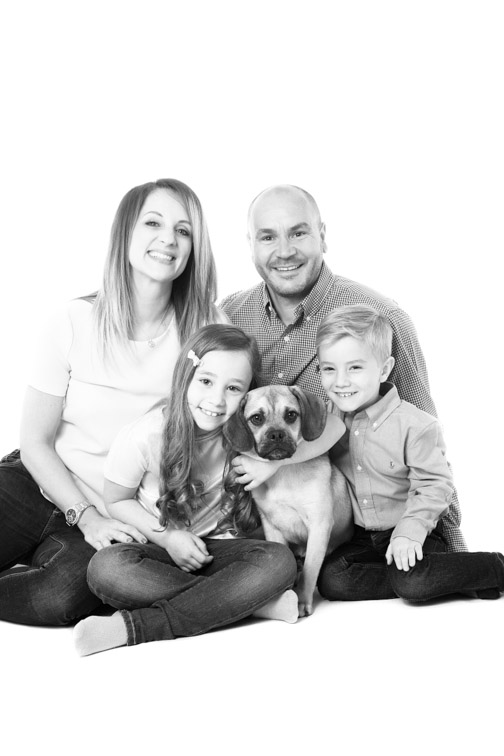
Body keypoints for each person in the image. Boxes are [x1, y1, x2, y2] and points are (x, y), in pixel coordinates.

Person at [0, 178, 223, 626]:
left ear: (194, 248)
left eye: (183, 231)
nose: (168, 239)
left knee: (60, 598)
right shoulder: (72, 320)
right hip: (40, 481)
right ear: (125, 233)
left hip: (120, 513)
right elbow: (36, 441)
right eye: (153, 223)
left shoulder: (206, 333)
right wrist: (82, 515)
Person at [221, 184, 466, 551]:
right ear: (251, 244)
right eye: (268, 237)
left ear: (322, 235)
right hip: (260, 536)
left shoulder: (380, 318)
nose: (284, 251)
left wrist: (448, 545)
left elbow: (428, 448)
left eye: (298, 233)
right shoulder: (229, 317)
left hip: (358, 530)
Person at [73, 324, 299, 656]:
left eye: (233, 388)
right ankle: (248, 603)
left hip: (221, 552)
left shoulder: (252, 431)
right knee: (106, 568)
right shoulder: (145, 435)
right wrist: (168, 538)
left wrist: (273, 465)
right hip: (158, 549)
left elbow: (332, 428)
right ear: (185, 377)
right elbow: (116, 500)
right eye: (206, 381)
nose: (217, 400)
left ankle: (135, 627)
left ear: (249, 394)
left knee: (279, 560)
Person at [315, 305, 504, 602]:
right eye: (329, 368)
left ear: (384, 369)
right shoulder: (327, 421)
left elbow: (435, 485)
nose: (340, 381)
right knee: (332, 580)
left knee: (412, 583)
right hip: (363, 537)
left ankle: (495, 567)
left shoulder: (415, 425)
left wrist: (409, 531)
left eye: (355, 368)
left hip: (416, 529)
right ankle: (439, 579)